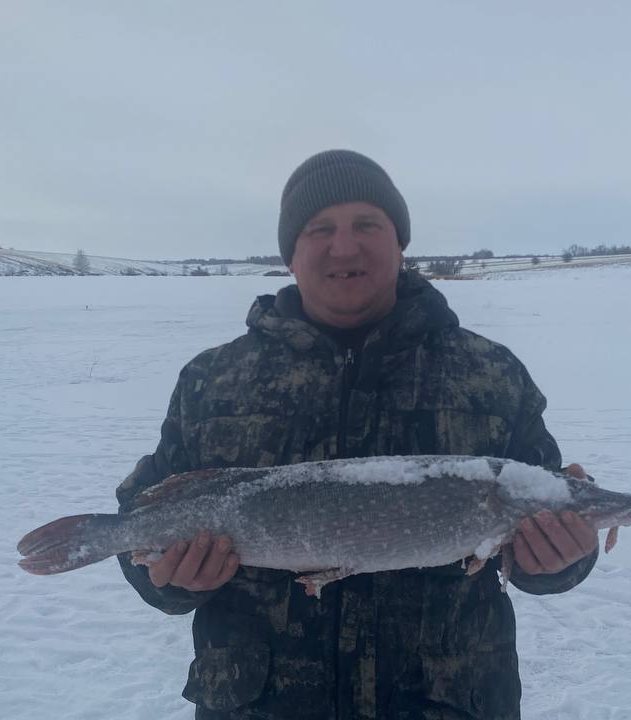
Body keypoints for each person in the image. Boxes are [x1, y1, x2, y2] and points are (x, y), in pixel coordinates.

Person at [116, 149, 606, 719]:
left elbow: (538, 517)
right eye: (320, 229)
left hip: (446, 703)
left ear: (400, 242)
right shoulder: (213, 380)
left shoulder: (489, 373)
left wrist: (561, 562)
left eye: (367, 225)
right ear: (290, 256)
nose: (343, 247)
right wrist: (171, 581)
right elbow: (141, 524)